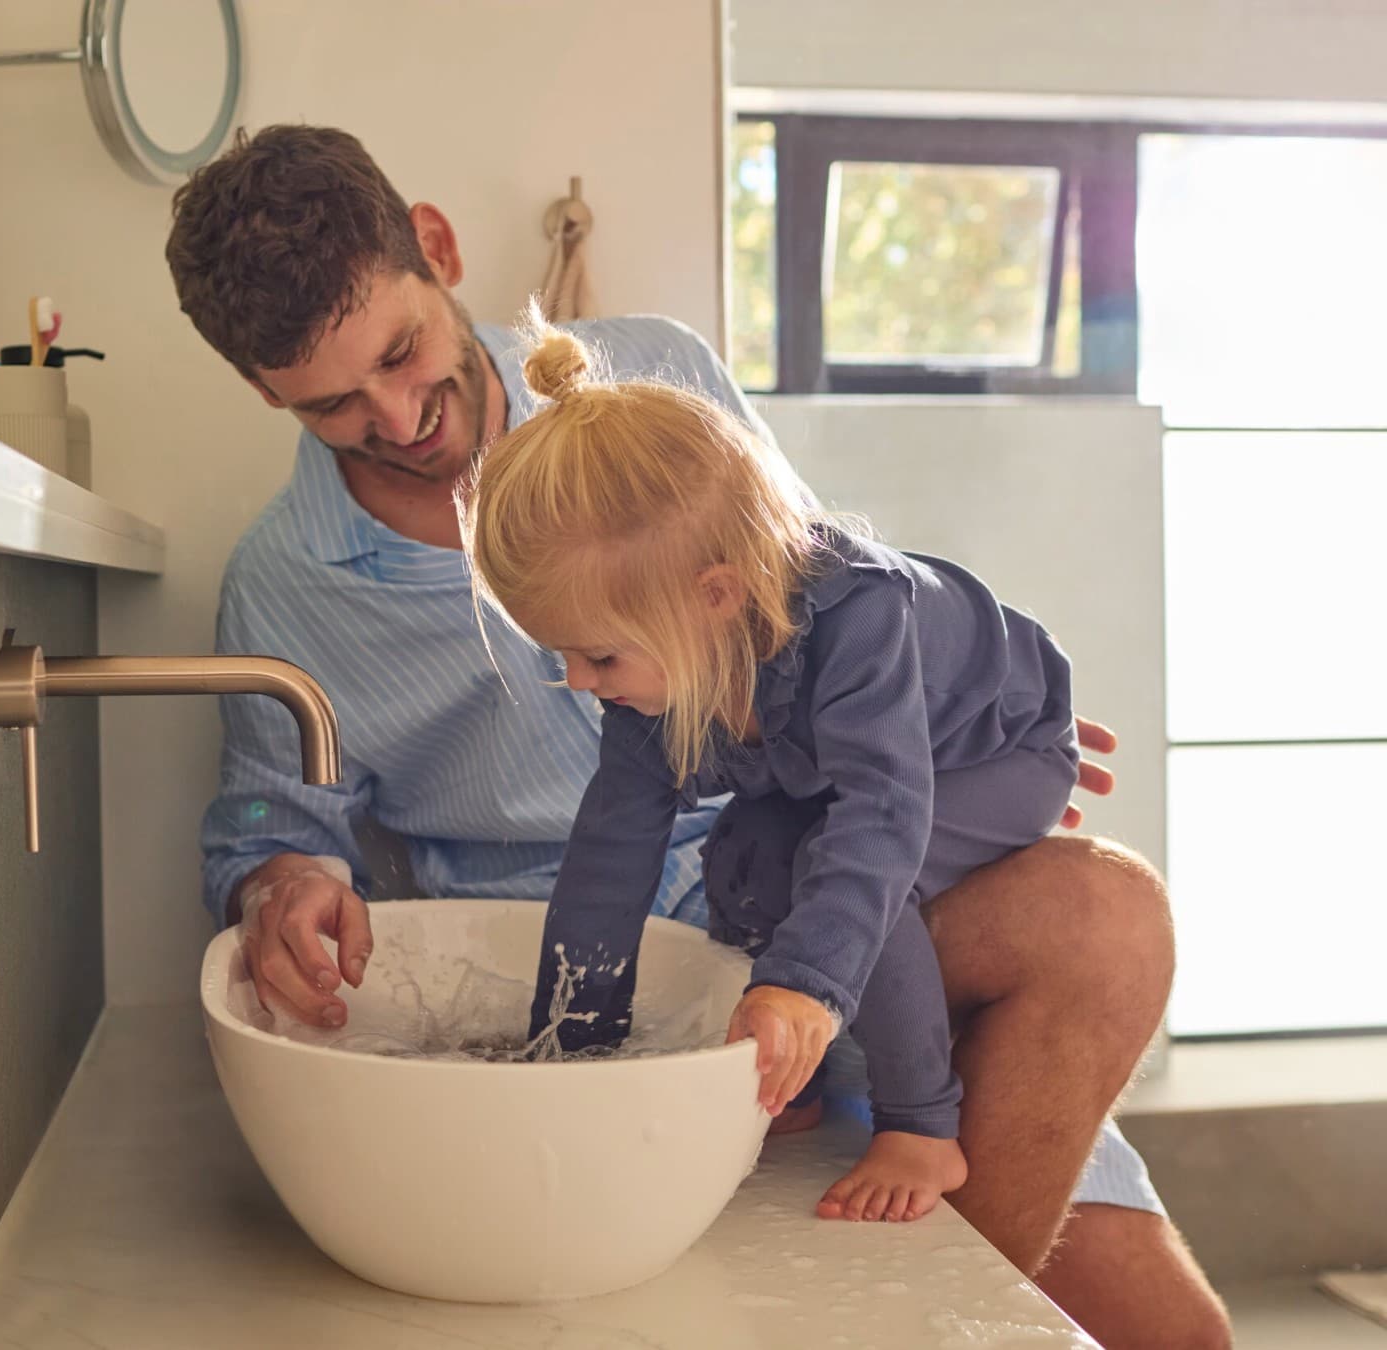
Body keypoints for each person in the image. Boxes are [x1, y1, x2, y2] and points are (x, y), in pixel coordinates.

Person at [166, 124, 1231, 1347]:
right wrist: (281, 877)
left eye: (402, 354)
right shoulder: (281, 585)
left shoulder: (656, 373)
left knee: (1112, 947)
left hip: (826, 900)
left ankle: (914, 1162)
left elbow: (804, 607)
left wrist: (949, 718)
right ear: (268, 393)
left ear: (437, 249)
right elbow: (270, 812)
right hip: (617, 970)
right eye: (334, 405)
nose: (399, 416)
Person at [460, 318, 1082, 1224]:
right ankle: (793, 1087)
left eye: (598, 656)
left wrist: (805, 986)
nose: (580, 682)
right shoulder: (656, 674)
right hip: (851, 768)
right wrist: (568, 1048)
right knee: (743, 861)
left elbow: (881, 819)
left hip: (997, 753)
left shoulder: (862, 619)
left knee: (844, 869)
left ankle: (921, 1125)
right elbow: (608, 856)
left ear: (715, 596)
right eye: (565, 656)